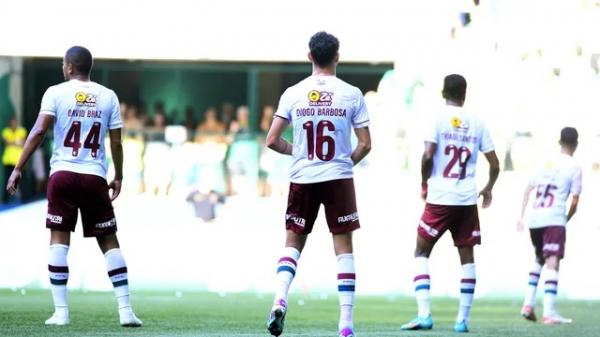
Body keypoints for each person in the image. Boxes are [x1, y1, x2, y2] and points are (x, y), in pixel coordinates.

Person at [5, 46, 142, 327]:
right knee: (109, 241)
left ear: (68, 67)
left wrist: (18, 167)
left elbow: (39, 131)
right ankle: (126, 312)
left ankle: (61, 312)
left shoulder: (55, 92)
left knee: (59, 239)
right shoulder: (108, 96)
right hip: (94, 176)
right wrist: (119, 175)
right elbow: (116, 142)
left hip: (63, 175)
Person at [265, 31, 371, 337]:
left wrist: (296, 151)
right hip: (338, 178)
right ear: (337, 56)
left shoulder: (293, 92)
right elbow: (365, 144)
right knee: (344, 248)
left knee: (293, 244)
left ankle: (279, 299)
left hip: (303, 177)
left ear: (310, 56)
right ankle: (346, 324)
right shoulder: (352, 93)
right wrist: (342, 162)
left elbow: (272, 140)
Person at [400, 74, 500, 333]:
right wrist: (488, 188)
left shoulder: (435, 118)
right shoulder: (478, 123)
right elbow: (496, 164)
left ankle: (424, 315)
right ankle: (462, 321)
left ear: (443, 92)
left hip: (440, 199)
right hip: (467, 200)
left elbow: (428, 155)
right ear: (465, 94)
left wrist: (424, 183)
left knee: (421, 252)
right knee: (467, 259)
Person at [517, 127, 581, 325]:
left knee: (539, 257)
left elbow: (528, 189)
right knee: (553, 261)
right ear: (576, 144)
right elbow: (575, 202)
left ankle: (528, 304)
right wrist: (565, 219)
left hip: (535, 219)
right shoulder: (574, 166)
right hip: (554, 218)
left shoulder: (545, 162)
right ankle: (549, 312)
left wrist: (521, 217)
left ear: (559, 142)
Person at [2, 116, 27, 203]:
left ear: (17, 123)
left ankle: (24, 199)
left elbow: (23, 142)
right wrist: (17, 141)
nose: (13, 124)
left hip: (19, 161)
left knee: (22, 180)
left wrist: (13, 141)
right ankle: (6, 200)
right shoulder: (5, 131)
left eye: (15, 122)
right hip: (8, 161)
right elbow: (7, 142)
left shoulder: (22, 131)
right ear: (10, 123)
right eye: (12, 122)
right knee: (7, 180)